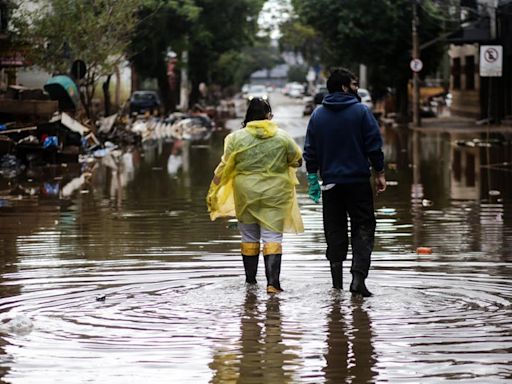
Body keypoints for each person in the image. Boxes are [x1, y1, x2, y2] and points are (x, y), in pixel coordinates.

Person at [303, 67, 386, 297]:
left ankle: (336, 285)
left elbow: (310, 151)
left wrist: (312, 178)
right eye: (353, 84)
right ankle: (358, 280)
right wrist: (379, 173)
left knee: (334, 232)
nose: (356, 88)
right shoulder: (361, 112)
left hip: (330, 185)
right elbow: (374, 146)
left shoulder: (318, 115)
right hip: (358, 182)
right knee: (363, 228)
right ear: (343, 87)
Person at [207, 98, 303, 293]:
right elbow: (297, 161)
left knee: (249, 236)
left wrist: (213, 190)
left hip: (246, 193)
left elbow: (224, 167)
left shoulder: (235, 138)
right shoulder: (282, 137)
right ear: (268, 115)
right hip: (275, 194)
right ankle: (273, 285)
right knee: (272, 237)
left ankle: (250, 283)